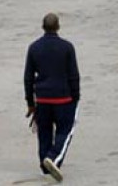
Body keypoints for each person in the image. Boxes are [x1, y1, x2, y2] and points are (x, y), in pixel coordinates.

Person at [23, 13, 80, 182]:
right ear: (58, 27)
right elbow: (74, 75)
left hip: (42, 99)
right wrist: (75, 97)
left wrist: (30, 103)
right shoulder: (67, 47)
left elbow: (28, 78)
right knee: (65, 130)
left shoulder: (34, 47)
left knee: (45, 133)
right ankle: (53, 158)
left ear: (43, 27)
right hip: (63, 98)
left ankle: (45, 165)